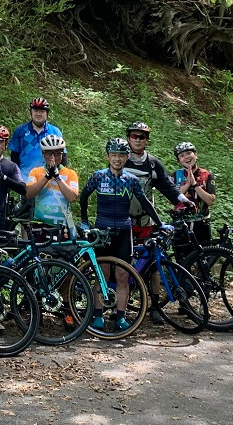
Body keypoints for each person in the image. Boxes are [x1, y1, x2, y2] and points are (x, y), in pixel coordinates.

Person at [79, 137, 169, 332]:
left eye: (121, 155)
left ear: (127, 157)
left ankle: (121, 317)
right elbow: (84, 196)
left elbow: (145, 203)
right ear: (108, 156)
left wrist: (160, 224)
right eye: (114, 155)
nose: (117, 159)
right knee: (102, 274)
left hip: (123, 230)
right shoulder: (98, 176)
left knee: (122, 275)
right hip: (102, 230)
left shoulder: (131, 180)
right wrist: (85, 221)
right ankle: (98, 316)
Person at [121, 121, 187, 241]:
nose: (138, 140)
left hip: (146, 220)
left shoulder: (152, 163)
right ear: (128, 139)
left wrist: (183, 199)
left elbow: (166, 185)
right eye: (134, 136)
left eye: (142, 137)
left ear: (147, 140)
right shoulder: (120, 160)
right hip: (122, 219)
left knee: (144, 256)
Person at [24, 134, 79, 229]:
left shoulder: (71, 174)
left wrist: (57, 176)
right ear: (43, 154)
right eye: (49, 153)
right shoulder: (35, 171)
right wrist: (47, 176)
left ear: (62, 154)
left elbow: (72, 198)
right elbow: (29, 194)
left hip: (61, 226)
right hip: (39, 225)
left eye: (57, 153)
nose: (53, 157)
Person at [172, 141, 216, 245]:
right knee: (183, 256)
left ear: (196, 155)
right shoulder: (176, 175)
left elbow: (210, 200)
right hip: (181, 222)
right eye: (182, 155)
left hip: (202, 222)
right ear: (179, 161)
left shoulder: (207, 175)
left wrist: (195, 184)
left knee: (204, 254)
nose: (186, 157)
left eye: (188, 153)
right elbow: (172, 198)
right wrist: (187, 184)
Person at [9, 97, 63, 176]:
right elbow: (14, 156)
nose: (38, 114)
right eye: (35, 110)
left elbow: (62, 156)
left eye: (42, 111)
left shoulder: (55, 131)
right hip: (25, 177)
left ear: (47, 113)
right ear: (31, 112)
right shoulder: (20, 131)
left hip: (49, 178)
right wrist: (16, 177)